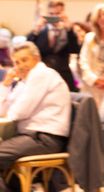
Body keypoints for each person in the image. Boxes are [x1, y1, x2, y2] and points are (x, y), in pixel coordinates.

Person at [0, 41, 71, 192]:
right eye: (17, 62)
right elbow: (3, 109)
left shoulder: (42, 74)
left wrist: (9, 112)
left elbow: (19, 112)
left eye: (25, 60)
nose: (20, 65)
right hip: (31, 137)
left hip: (44, 139)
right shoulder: (25, 81)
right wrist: (6, 84)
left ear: (36, 58)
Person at [27, 0, 81, 91]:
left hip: (63, 76)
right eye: (51, 14)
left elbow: (75, 50)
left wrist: (69, 30)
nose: (54, 17)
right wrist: (36, 30)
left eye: (58, 13)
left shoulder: (68, 32)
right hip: (42, 75)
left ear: (63, 13)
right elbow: (28, 48)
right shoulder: (40, 32)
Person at [79, 5, 104, 108]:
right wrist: (95, 80)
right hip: (92, 85)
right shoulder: (89, 38)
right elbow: (84, 61)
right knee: (92, 116)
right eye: (100, 16)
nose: (103, 18)